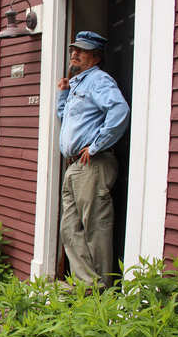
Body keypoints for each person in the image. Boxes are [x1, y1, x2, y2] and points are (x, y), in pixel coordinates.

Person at [56, 31, 130, 287]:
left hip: (93, 165)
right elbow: (65, 117)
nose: (74, 53)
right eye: (73, 49)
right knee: (69, 228)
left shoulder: (99, 80)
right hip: (74, 166)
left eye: (82, 50)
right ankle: (87, 284)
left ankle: (103, 292)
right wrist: (64, 93)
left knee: (95, 228)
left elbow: (119, 110)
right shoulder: (77, 83)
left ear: (96, 57)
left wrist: (96, 146)